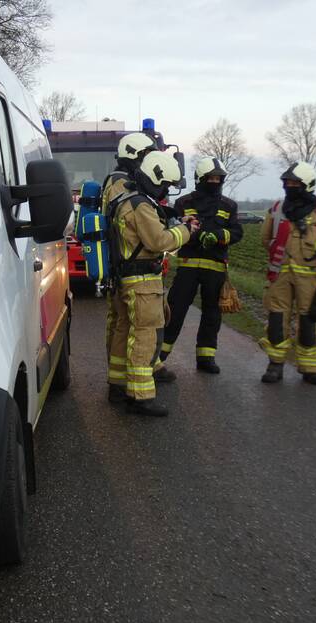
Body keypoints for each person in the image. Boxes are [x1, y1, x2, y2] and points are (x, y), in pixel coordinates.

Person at [107, 150, 199, 416]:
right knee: (145, 336)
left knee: (124, 332)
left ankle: (117, 385)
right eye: (166, 185)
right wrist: (186, 231)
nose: (166, 191)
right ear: (157, 178)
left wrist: (176, 222)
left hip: (127, 279)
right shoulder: (141, 205)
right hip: (142, 283)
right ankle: (140, 396)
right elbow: (158, 242)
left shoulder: (128, 198)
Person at [158, 156, 242, 375]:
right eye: (210, 178)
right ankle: (159, 357)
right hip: (188, 267)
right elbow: (175, 227)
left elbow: (237, 232)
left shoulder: (229, 205)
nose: (215, 182)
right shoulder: (184, 203)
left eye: (218, 178)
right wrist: (198, 236)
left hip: (215, 269)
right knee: (175, 310)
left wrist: (218, 236)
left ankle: (206, 357)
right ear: (200, 179)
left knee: (212, 314)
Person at [258, 161, 316, 385]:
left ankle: (312, 368)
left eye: (295, 183)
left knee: (309, 321)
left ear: (307, 184)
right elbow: (265, 239)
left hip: (310, 277)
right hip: (280, 275)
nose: (290, 186)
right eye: (287, 182)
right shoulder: (277, 208)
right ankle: (275, 364)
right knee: (276, 320)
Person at [103, 132, 158, 402]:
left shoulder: (117, 182)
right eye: (147, 156)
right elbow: (137, 226)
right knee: (132, 325)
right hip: (129, 266)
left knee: (124, 323)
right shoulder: (122, 185)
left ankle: (118, 380)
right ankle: (132, 387)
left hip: (120, 265)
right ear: (135, 155)